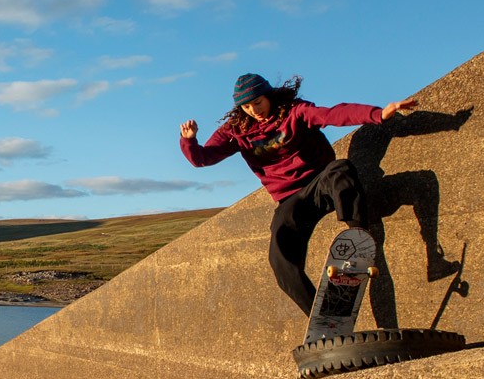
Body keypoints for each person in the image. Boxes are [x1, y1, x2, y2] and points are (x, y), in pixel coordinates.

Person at [179, 73, 417, 315]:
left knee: (340, 169)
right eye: (247, 106)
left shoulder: (294, 111)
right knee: (280, 261)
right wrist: (189, 142)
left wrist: (377, 114)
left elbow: (332, 114)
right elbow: (203, 158)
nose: (254, 110)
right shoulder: (237, 130)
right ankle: (324, 317)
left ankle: (356, 239)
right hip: (290, 200)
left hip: (320, 183)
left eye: (258, 102)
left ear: (268, 95)